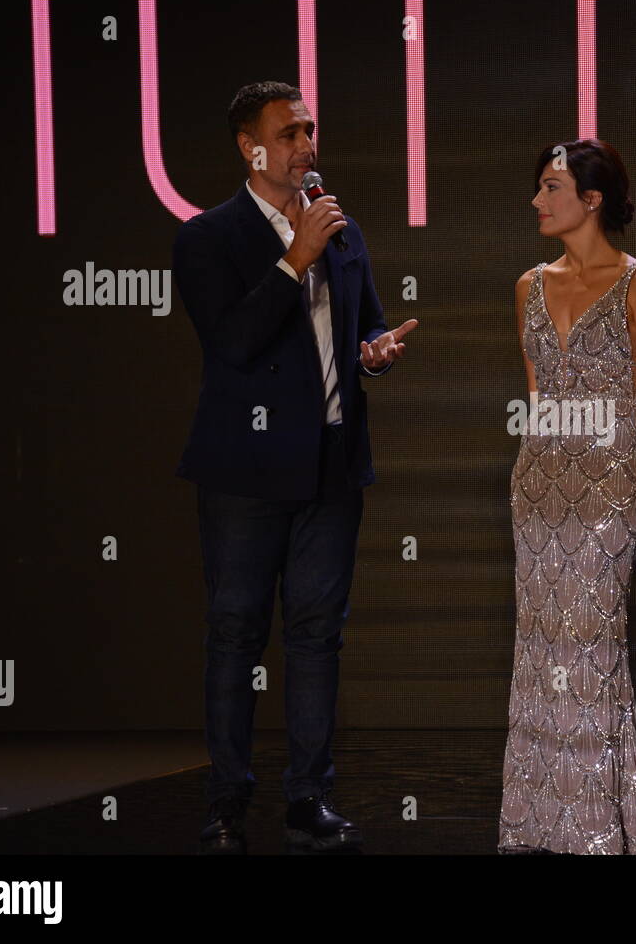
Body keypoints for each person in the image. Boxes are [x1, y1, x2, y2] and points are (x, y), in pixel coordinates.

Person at [172, 81, 417, 853]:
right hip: (246, 474)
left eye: (310, 128)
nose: (306, 144)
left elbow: (366, 323)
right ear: (251, 147)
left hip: (332, 468)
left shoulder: (341, 229)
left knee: (317, 634)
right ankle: (227, 800)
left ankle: (309, 796)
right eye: (289, 132)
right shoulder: (209, 237)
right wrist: (293, 259)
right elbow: (234, 346)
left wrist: (374, 354)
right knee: (237, 631)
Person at [498, 138, 636, 854]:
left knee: (592, 640)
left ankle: (596, 822)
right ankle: (540, 818)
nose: (537, 200)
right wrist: (543, 461)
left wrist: (624, 468)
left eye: (551, 187)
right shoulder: (528, 284)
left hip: (610, 485)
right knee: (541, 643)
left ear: (592, 199)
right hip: (539, 483)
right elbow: (537, 389)